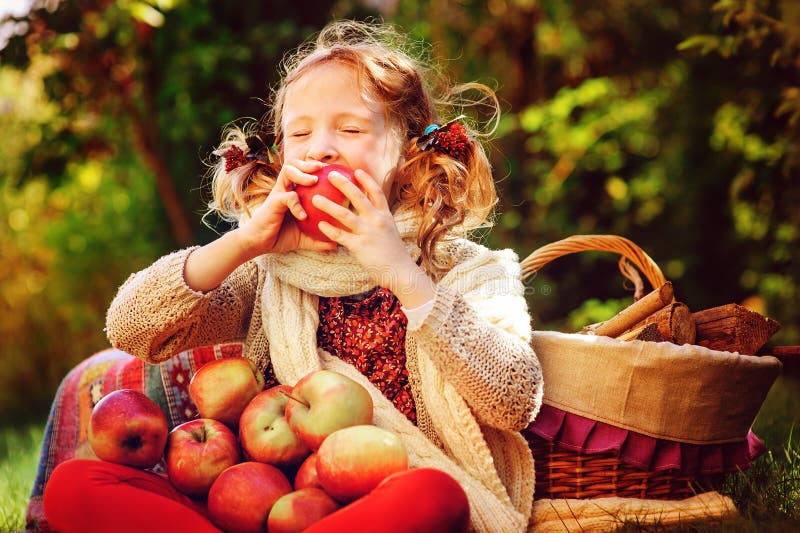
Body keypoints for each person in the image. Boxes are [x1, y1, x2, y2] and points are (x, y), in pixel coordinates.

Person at [39, 19, 543, 533]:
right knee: (75, 485)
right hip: (270, 502)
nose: (318, 149)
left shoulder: (470, 268)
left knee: (435, 496)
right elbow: (132, 328)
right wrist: (245, 242)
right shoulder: (271, 271)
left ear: (411, 152)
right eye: (299, 133)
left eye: (348, 129)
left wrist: (399, 270)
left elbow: (514, 397)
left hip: (388, 497)